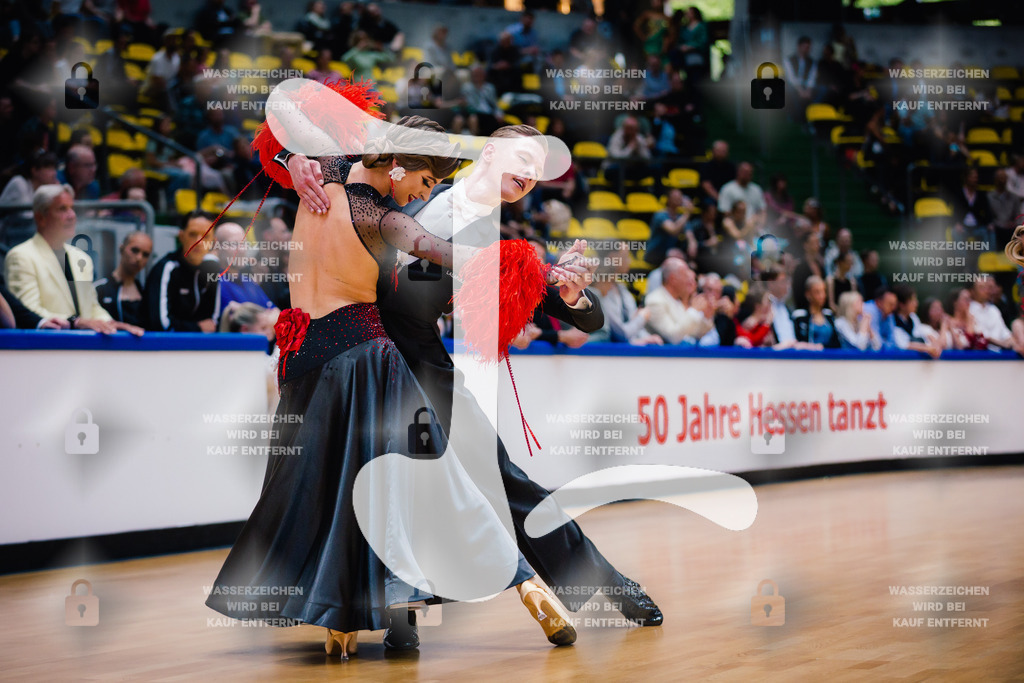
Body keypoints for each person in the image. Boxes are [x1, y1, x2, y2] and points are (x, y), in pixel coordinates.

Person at [281, 122, 663, 648]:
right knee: (378, 488)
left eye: (539, 168)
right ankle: (397, 617)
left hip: (420, 364)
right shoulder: (412, 181)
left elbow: (586, 318)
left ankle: (604, 584)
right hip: (355, 353)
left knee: (503, 481)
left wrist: (573, 295)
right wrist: (293, 161)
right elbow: (313, 150)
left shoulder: (507, 245)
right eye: (523, 157)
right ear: (489, 152)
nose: (531, 172)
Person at [4, 184, 143, 335]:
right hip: (45, 349)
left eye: (72, 208)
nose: (71, 215)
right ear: (40, 218)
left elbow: (91, 307)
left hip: (83, 349)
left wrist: (110, 323)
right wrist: (75, 323)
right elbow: (28, 312)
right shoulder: (21, 256)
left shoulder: (81, 258)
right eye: (62, 209)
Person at [144, 211, 221, 332]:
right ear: (181, 236)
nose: (198, 242)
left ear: (213, 242)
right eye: (192, 234)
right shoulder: (167, 268)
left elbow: (213, 323)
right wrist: (198, 327)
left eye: (206, 236)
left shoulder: (212, 269)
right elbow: (160, 325)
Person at [590, 244, 662, 345]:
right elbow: (619, 334)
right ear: (612, 258)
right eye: (626, 256)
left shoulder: (622, 288)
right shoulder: (599, 291)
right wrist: (642, 317)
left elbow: (633, 323)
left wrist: (646, 338)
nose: (630, 261)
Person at [644, 257, 713, 344]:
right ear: (673, 279)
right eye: (685, 275)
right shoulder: (655, 301)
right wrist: (694, 310)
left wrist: (707, 316)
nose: (688, 281)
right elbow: (673, 337)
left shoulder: (676, 301)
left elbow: (694, 333)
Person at [94, 231, 152, 327]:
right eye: (135, 250)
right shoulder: (99, 290)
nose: (139, 258)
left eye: (145, 255)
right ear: (122, 249)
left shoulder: (146, 293)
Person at [645, 188, 695, 267]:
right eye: (676, 196)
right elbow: (673, 230)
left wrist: (692, 244)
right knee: (676, 258)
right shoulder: (660, 215)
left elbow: (690, 235)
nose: (679, 198)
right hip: (655, 254)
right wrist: (687, 214)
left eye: (680, 196)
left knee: (691, 264)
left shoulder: (680, 217)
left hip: (670, 255)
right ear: (668, 199)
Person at [792, 276, 840, 348]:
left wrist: (822, 347)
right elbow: (797, 341)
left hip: (829, 357)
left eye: (824, 291)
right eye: (817, 292)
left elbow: (836, 342)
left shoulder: (829, 315)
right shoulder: (800, 316)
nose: (822, 295)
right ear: (808, 294)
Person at [968, 276, 1013, 350]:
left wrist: (1012, 342)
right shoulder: (969, 310)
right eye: (981, 288)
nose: (986, 291)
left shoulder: (994, 309)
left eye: (987, 287)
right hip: (980, 356)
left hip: (1001, 355)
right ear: (972, 291)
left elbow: (1005, 333)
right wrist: (1003, 344)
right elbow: (980, 335)